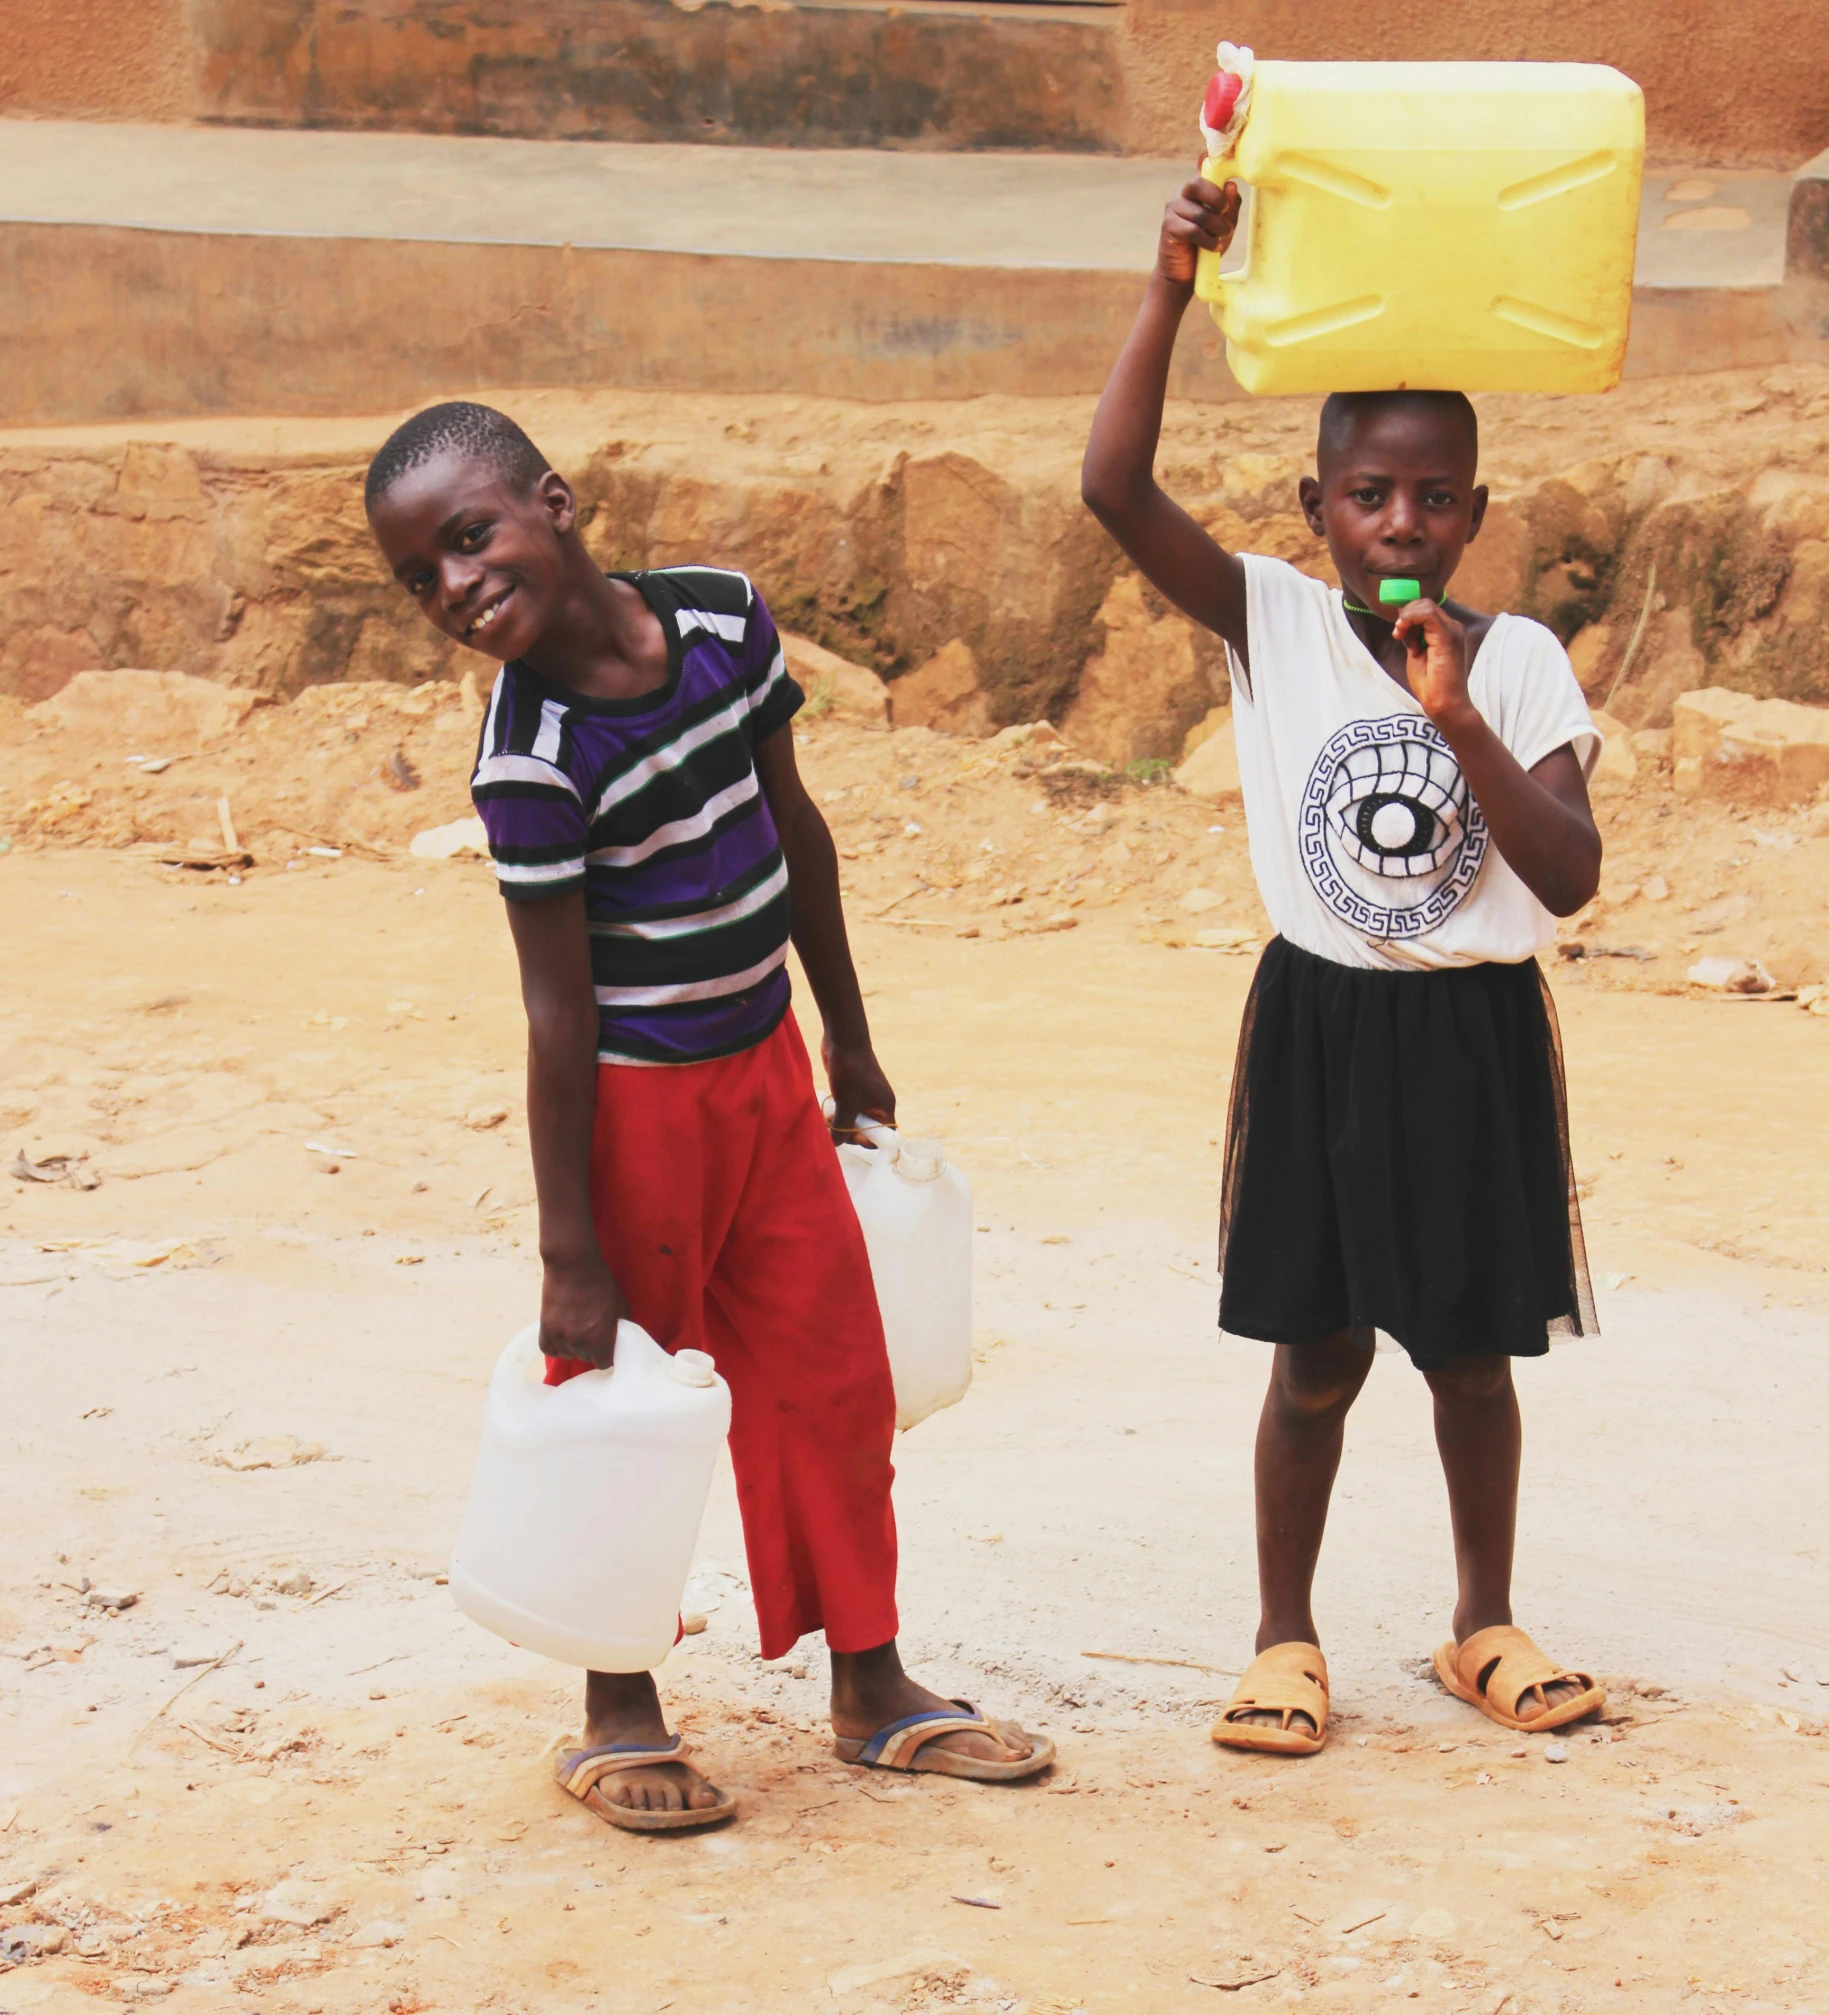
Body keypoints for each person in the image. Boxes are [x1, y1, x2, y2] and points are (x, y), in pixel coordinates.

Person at [365, 401, 1052, 1830]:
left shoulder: (728, 624)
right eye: (420, 576)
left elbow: (798, 835)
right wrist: (570, 1252)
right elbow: (557, 1015)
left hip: (769, 1073)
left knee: (832, 1381)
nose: (454, 587)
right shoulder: (530, 758)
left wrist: (848, 1034)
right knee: (626, 1405)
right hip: (637, 1113)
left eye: (471, 536)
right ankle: (619, 1708)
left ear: (556, 502)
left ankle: (872, 1683)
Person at [1080, 178, 1609, 1754]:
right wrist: (1172, 286)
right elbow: (1113, 486)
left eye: (1435, 497)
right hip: (1323, 1024)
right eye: (1370, 494)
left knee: (1468, 1350)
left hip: (1471, 1031)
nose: (1401, 524)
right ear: (1316, 508)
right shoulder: (1276, 622)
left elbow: (1570, 875)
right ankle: (1284, 1636)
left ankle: (1481, 1622)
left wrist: (1458, 718)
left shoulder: (1513, 661)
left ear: (1474, 509)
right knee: (1314, 1354)